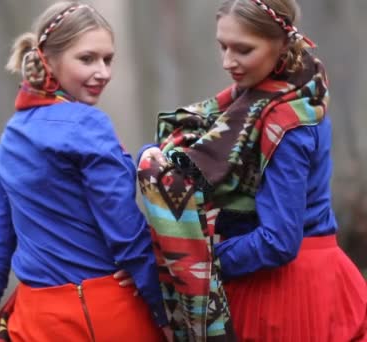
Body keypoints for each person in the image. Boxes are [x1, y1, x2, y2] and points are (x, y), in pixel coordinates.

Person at [135, 0, 367, 340]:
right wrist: (157, 157)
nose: (229, 61)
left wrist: (200, 262)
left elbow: (279, 240)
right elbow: (200, 153)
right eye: (223, 46)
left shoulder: (285, 121)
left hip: (288, 293)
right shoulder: (285, 96)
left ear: (283, 44)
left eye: (243, 49)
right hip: (307, 276)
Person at [0, 2, 172, 341]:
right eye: (87, 59)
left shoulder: (12, 135)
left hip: (34, 322)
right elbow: (126, 236)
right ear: (48, 60)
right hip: (104, 316)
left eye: (108, 59)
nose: (102, 72)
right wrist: (164, 313)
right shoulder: (89, 125)